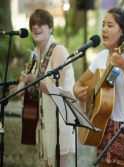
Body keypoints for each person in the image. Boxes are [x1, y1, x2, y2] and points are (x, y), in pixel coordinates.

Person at [73, 7, 124, 167]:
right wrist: (79, 92)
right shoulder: (100, 57)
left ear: (122, 31)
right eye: (103, 25)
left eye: (110, 25)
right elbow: (78, 83)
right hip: (104, 126)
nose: (104, 30)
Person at [10, 9, 75, 167]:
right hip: (45, 120)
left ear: (50, 27)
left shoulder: (58, 51)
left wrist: (35, 82)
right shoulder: (35, 53)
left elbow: (56, 89)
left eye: (41, 24)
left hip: (61, 120)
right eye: (33, 24)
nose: (36, 27)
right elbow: (26, 78)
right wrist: (17, 91)